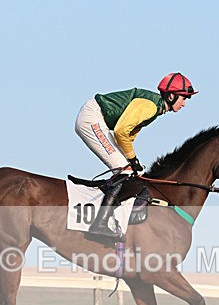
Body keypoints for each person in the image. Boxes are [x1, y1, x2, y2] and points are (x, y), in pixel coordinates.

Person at [74, 72, 198, 241]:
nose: (184, 103)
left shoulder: (156, 108)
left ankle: (111, 215)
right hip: (92, 119)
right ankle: (100, 223)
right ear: (171, 96)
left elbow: (128, 137)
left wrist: (134, 161)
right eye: (184, 98)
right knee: (125, 170)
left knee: (132, 172)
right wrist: (132, 159)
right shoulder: (151, 107)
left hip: (98, 120)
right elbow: (120, 132)